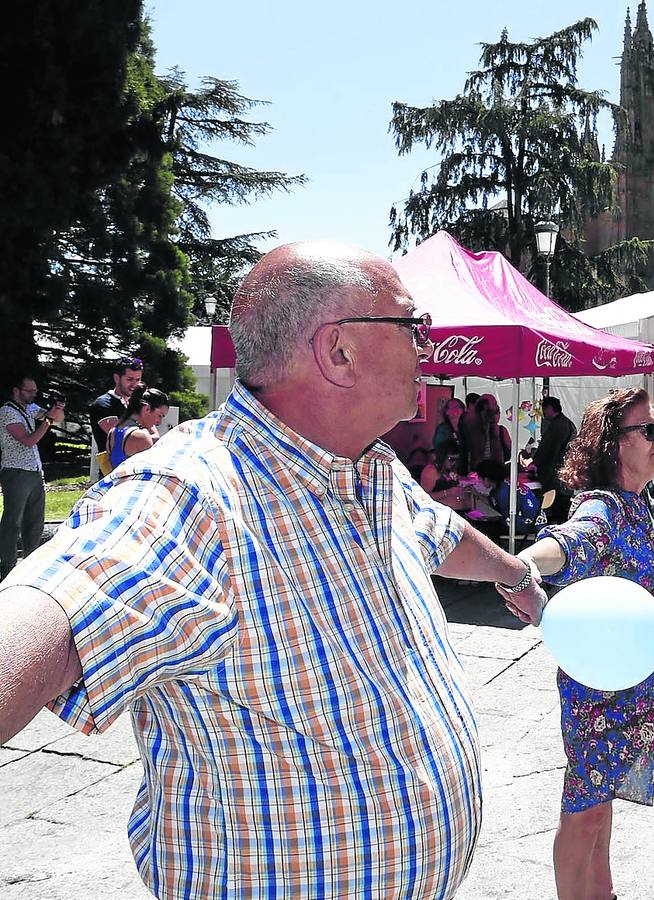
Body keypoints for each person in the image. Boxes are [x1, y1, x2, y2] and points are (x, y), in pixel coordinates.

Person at [0, 241, 549, 898]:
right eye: (413, 326)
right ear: (339, 350)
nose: (427, 345)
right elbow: (49, 605)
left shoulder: (366, 466)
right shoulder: (190, 496)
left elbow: (438, 531)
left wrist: (512, 572)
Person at [515, 388, 654, 900]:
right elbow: (570, 541)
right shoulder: (604, 509)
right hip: (603, 695)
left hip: (638, 690)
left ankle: (603, 893)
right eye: (650, 431)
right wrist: (525, 564)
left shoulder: (638, 505)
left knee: (602, 801)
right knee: (584, 810)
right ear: (613, 445)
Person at [1, 375, 65, 578]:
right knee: (13, 519)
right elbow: (29, 440)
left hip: (35, 471)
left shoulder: (30, 408)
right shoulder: (7, 411)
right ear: (16, 390)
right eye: (29, 391)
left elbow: (57, 418)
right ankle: (7, 563)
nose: (32, 395)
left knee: (35, 520)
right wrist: (47, 421)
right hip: (16, 470)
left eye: (34, 392)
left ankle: (31, 560)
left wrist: (58, 407)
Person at [533, 396, 577, 526]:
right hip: (565, 474)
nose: (543, 412)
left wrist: (535, 462)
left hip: (556, 477)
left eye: (544, 409)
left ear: (550, 408)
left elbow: (546, 450)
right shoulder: (568, 423)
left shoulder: (558, 426)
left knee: (556, 512)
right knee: (563, 510)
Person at [88, 357, 144, 459]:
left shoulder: (138, 403)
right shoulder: (103, 404)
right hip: (113, 471)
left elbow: (152, 435)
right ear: (117, 378)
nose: (135, 384)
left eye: (138, 380)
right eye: (130, 379)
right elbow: (123, 439)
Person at [105, 386, 169, 469]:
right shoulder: (142, 437)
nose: (159, 422)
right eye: (160, 416)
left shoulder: (113, 431)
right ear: (147, 408)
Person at [460, 392, 511, 470]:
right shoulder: (471, 427)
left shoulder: (499, 429)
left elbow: (506, 451)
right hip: (478, 470)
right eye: (493, 404)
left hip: (494, 470)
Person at [419, 440, 465, 505]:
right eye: (451, 459)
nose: (454, 463)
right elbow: (424, 498)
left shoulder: (450, 469)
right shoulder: (431, 471)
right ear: (442, 457)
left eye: (457, 460)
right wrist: (448, 492)